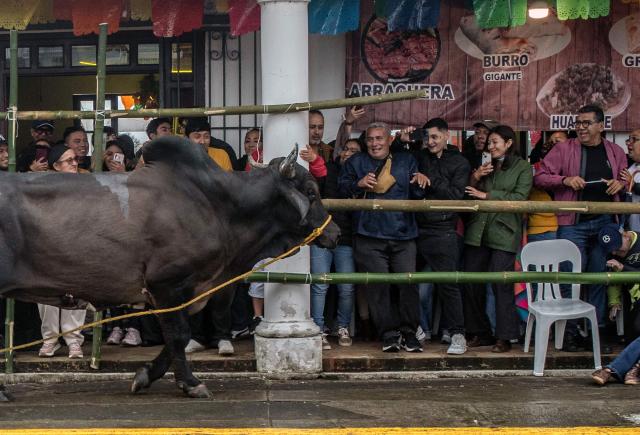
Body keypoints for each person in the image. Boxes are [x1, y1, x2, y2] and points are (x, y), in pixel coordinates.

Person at [534, 105, 627, 351]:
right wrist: (565, 180)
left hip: (605, 223)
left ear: (601, 126)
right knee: (570, 277)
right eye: (578, 123)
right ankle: (572, 332)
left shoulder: (616, 151)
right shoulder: (564, 148)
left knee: (598, 276)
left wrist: (619, 185)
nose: (581, 128)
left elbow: (624, 182)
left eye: (586, 123)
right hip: (573, 223)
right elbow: (540, 176)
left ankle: (594, 333)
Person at [339, 122, 428, 353]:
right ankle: (388, 334)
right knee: (378, 287)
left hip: (403, 234)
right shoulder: (355, 162)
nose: (375, 143)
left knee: (408, 284)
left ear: (390, 140)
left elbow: (417, 193)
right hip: (369, 234)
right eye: (370, 139)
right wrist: (358, 184)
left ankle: (409, 333)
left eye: (380, 138)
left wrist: (420, 181)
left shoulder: (406, 161)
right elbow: (341, 188)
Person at [464, 125, 533, 353]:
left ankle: (505, 337)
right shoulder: (485, 165)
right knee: (471, 281)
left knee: (501, 283)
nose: (490, 146)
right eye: (489, 143)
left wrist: (488, 196)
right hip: (478, 230)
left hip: (504, 231)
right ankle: (480, 332)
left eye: (495, 142)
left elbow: (520, 197)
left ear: (509, 143)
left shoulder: (522, 167)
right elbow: (467, 192)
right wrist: (476, 176)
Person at [406, 117, 471, 354]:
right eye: (427, 137)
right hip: (417, 228)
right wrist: (400, 140)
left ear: (446, 136)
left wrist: (430, 181)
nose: (430, 142)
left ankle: (457, 334)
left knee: (449, 285)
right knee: (409, 282)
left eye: (434, 137)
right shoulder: (419, 157)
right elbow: (397, 161)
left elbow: (456, 196)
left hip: (444, 230)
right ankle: (416, 329)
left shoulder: (460, 162)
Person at [183, 118, 235, 355]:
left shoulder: (221, 155)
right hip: (191, 231)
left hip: (220, 227)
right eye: (197, 136)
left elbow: (228, 189)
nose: (202, 141)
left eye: (206, 135)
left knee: (222, 285)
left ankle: (222, 336)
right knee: (195, 285)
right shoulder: (179, 160)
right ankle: (197, 336)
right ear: (188, 138)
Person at [309, 138, 361, 349]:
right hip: (322, 236)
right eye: (346, 149)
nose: (348, 153)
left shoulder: (364, 174)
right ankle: (318, 329)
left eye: (354, 151)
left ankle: (343, 327)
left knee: (346, 287)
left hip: (347, 237)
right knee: (320, 285)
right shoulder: (328, 169)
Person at [37, 145, 87, 358]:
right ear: (56, 166)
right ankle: (50, 339)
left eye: (75, 159)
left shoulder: (85, 186)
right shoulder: (44, 187)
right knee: (47, 294)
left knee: (75, 293)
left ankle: (73, 339)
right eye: (69, 161)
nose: (75, 163)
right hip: (49, 246)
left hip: (77, 245)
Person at [597, 224, 640, 339]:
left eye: (617, 247)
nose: (615, 252)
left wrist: (623, 268)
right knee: (634, 332)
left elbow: (621, 269)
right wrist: (614, 303)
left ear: (626, 235)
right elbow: (614, 279)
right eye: (612, 250)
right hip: (636, 301)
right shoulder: (613, 255)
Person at [620, 128, 640, 232]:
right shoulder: (629, 166)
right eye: (628, 140)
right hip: (631, 230)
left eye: (634, 139)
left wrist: (633, 184)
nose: (629, 144)